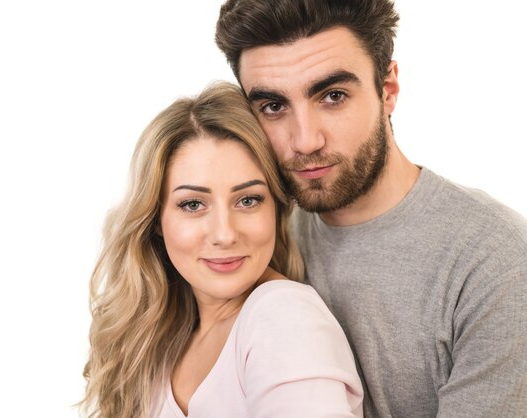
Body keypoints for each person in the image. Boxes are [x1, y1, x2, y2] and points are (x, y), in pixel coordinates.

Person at [215, 1, 527, 417]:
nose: (305, 141)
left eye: (333, 96)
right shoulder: (254, 236)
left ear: (387, 90)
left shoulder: (495, 261)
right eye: (274, 106)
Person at [81, 82, 363, 418]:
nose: (224, 234)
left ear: (275, 208)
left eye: (248, 200)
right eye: (193, 204)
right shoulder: (163, 338)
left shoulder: (283, 317)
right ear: (156, 219)